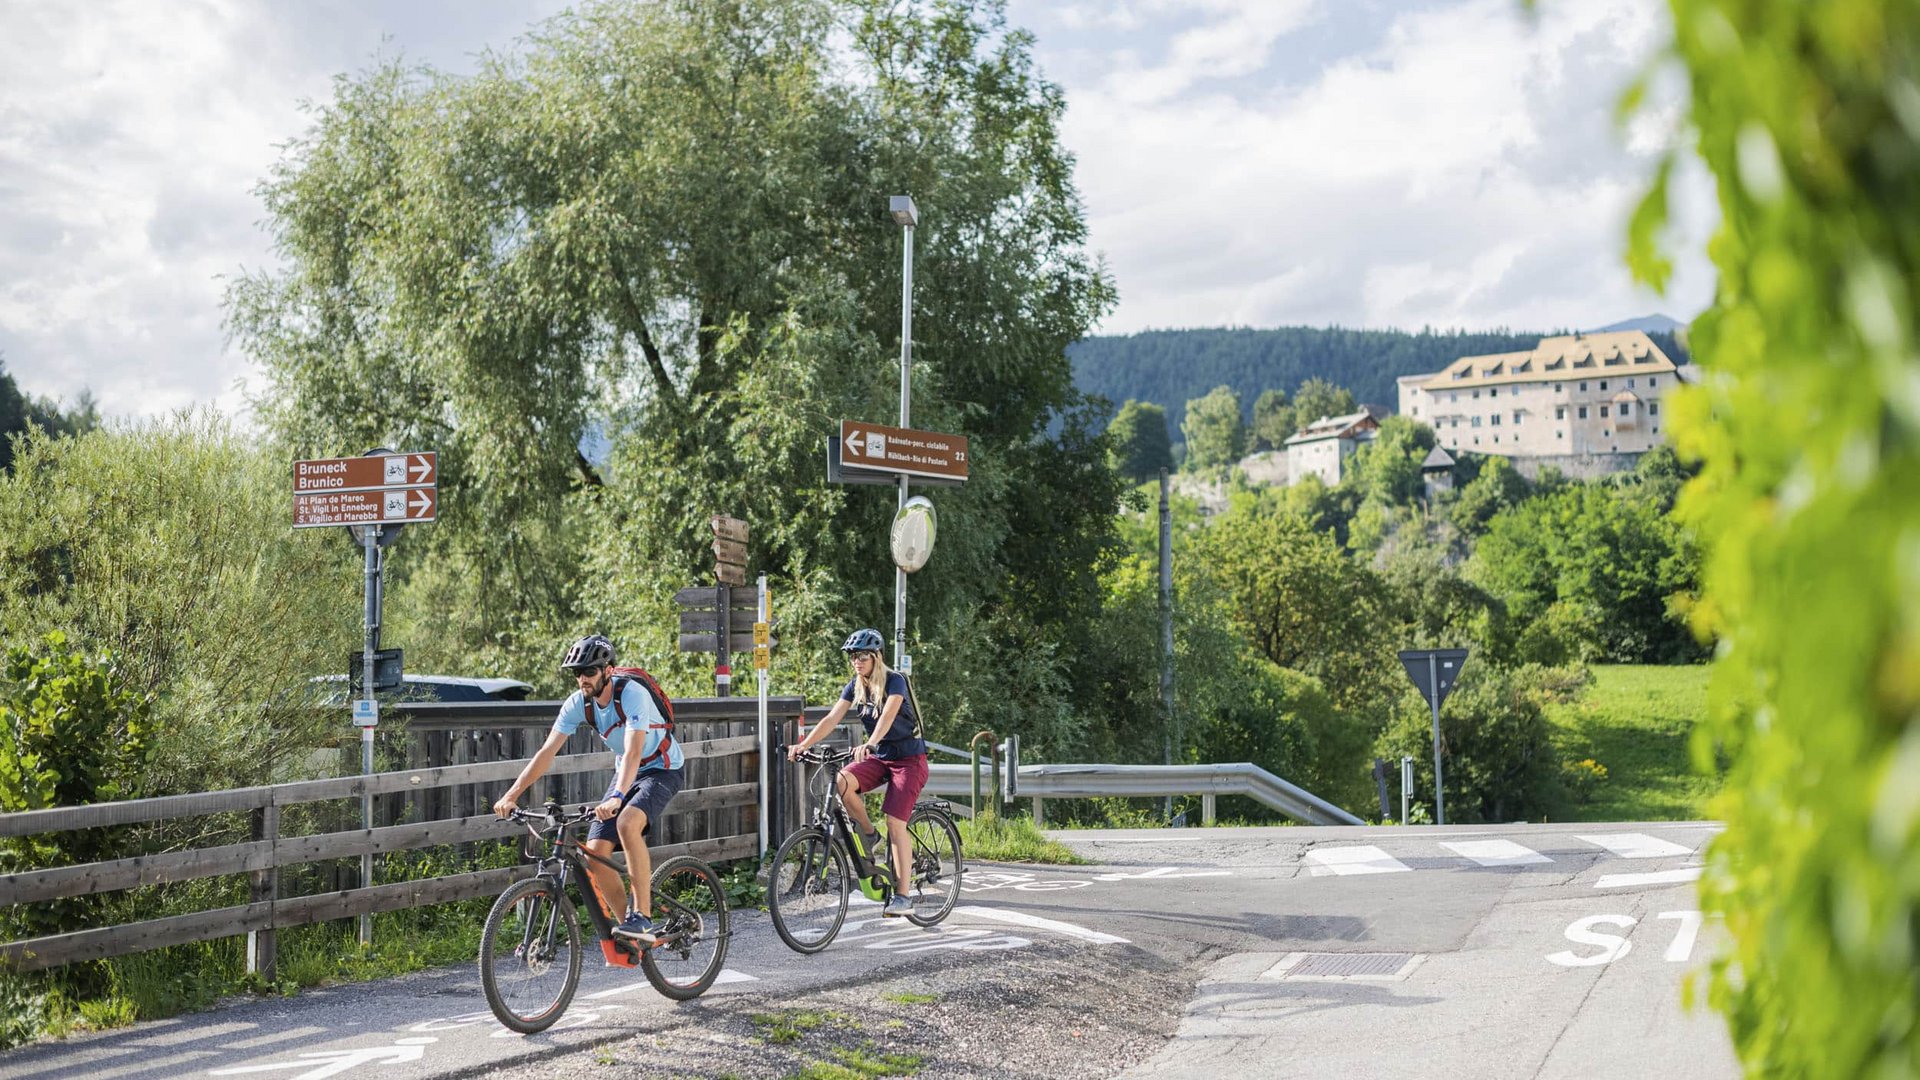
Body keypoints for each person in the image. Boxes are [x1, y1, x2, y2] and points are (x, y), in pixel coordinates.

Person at [493, 634, 684, 945]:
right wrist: (511, 795)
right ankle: (630, 932)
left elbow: (634, 751)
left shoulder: (632, 694)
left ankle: (644, 918)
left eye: (590, 671)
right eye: (577, 673)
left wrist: (618, 798)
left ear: (607, 670)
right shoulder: (578, 704)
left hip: (662, 768)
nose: (582, 678)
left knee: (626, 822)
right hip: (627, 772)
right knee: (594, 855)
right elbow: (546, 753)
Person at [787, 628, 928, 917]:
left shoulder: (895, 681)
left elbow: (888, 714)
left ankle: (903, 895)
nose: (857, 661)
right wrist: (803, 745)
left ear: (877, 656)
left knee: (895, 823)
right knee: (841, 782)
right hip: (881, 757)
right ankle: (868, 833)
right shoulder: (855, 686)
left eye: (863, 656)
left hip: (909, 759)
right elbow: (830, 718)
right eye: (853, 657)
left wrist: (872, 742)